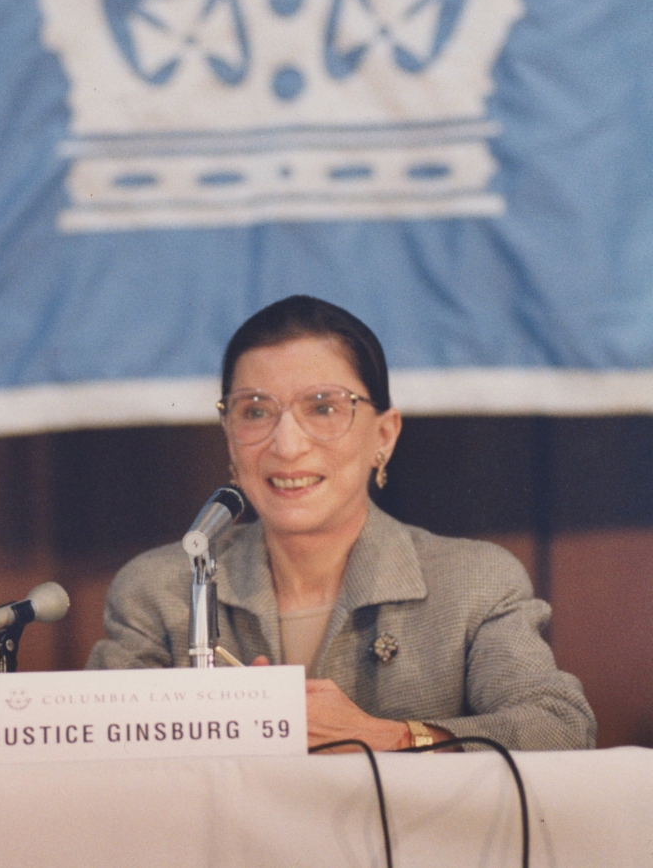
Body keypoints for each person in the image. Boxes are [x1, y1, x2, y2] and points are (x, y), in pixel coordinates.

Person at [87, 295, 596, 751]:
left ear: (384, 435)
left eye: (324, 407)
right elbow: (93, 753)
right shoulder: (161, 590)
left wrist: (390, 737)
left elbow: (560, 727)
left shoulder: (472, 583)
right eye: (256, 412)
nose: (287, 445)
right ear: (229, 435)